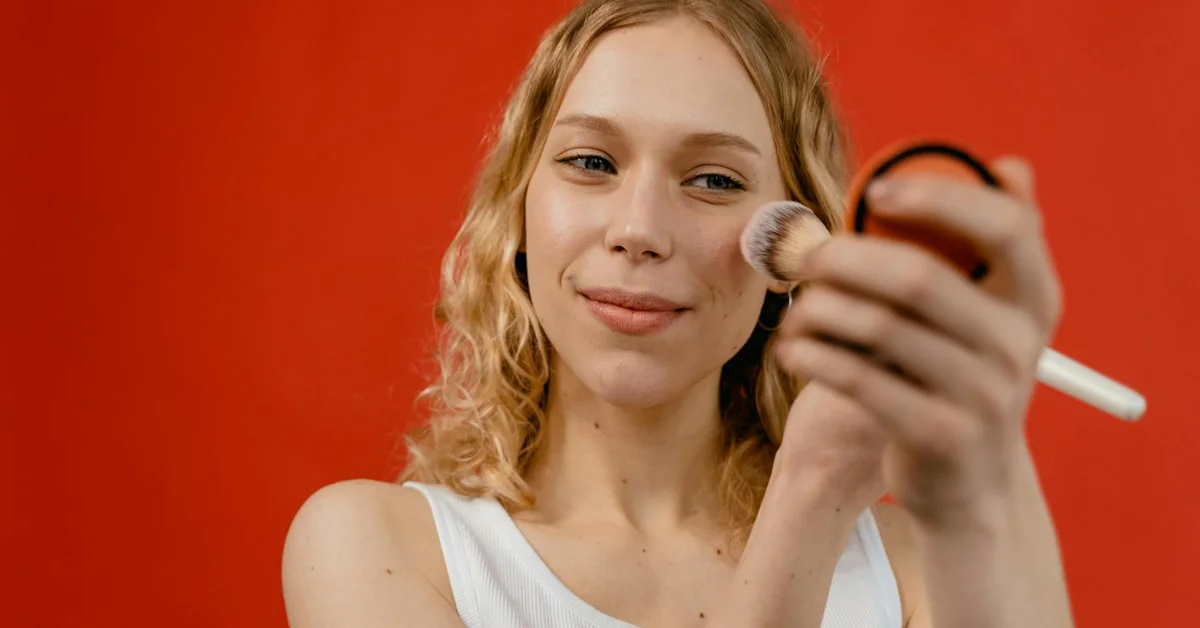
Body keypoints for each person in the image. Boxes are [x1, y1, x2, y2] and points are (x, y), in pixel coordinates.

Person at [281, 0, 1075, 626]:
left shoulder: (910, 571)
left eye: (715, 181)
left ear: (795, 241)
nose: (639, 231)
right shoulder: (379, 549)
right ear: (520, 210)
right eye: (591, 162)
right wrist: (810, 495)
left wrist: (986, 453)